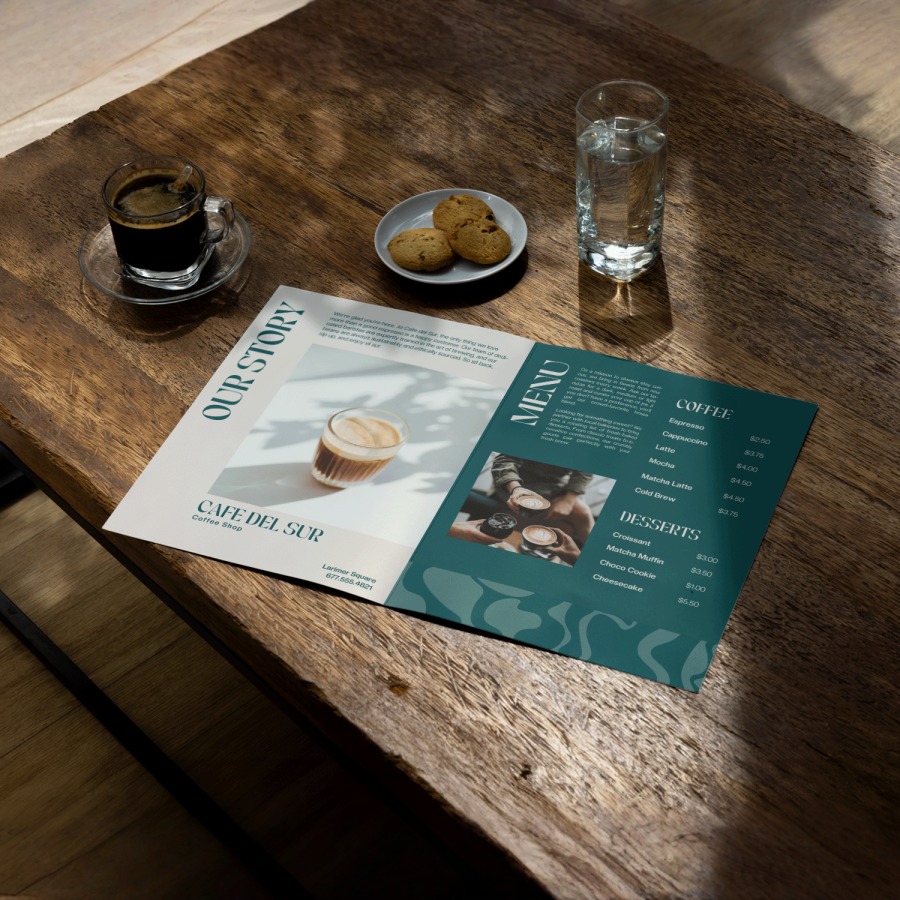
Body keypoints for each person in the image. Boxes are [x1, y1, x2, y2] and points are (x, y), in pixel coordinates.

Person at [491, 454, 595, 546]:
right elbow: (504, 460)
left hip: (555, 483)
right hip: (515, 483)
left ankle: (594, 556)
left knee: (581, 515)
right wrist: (516, 488)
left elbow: (585, 470)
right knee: (566, 525)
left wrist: (568, 501)